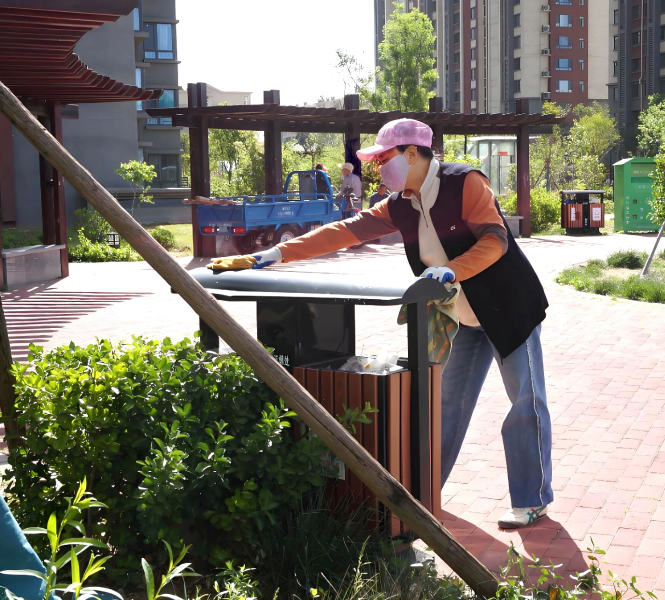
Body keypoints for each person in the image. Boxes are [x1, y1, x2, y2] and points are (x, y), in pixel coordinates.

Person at [236, 118, 553, 529]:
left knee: (526, 400)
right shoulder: (400, 204)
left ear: (411, 153)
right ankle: (424, 493)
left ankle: (532, 499)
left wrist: (453, 270)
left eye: (383, 159)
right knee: (445, 405)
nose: (377, 169)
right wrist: (279, 253)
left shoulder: (465, 183)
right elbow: (347, 230)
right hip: (460, 315)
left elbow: (496, 239)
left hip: (508, 307)